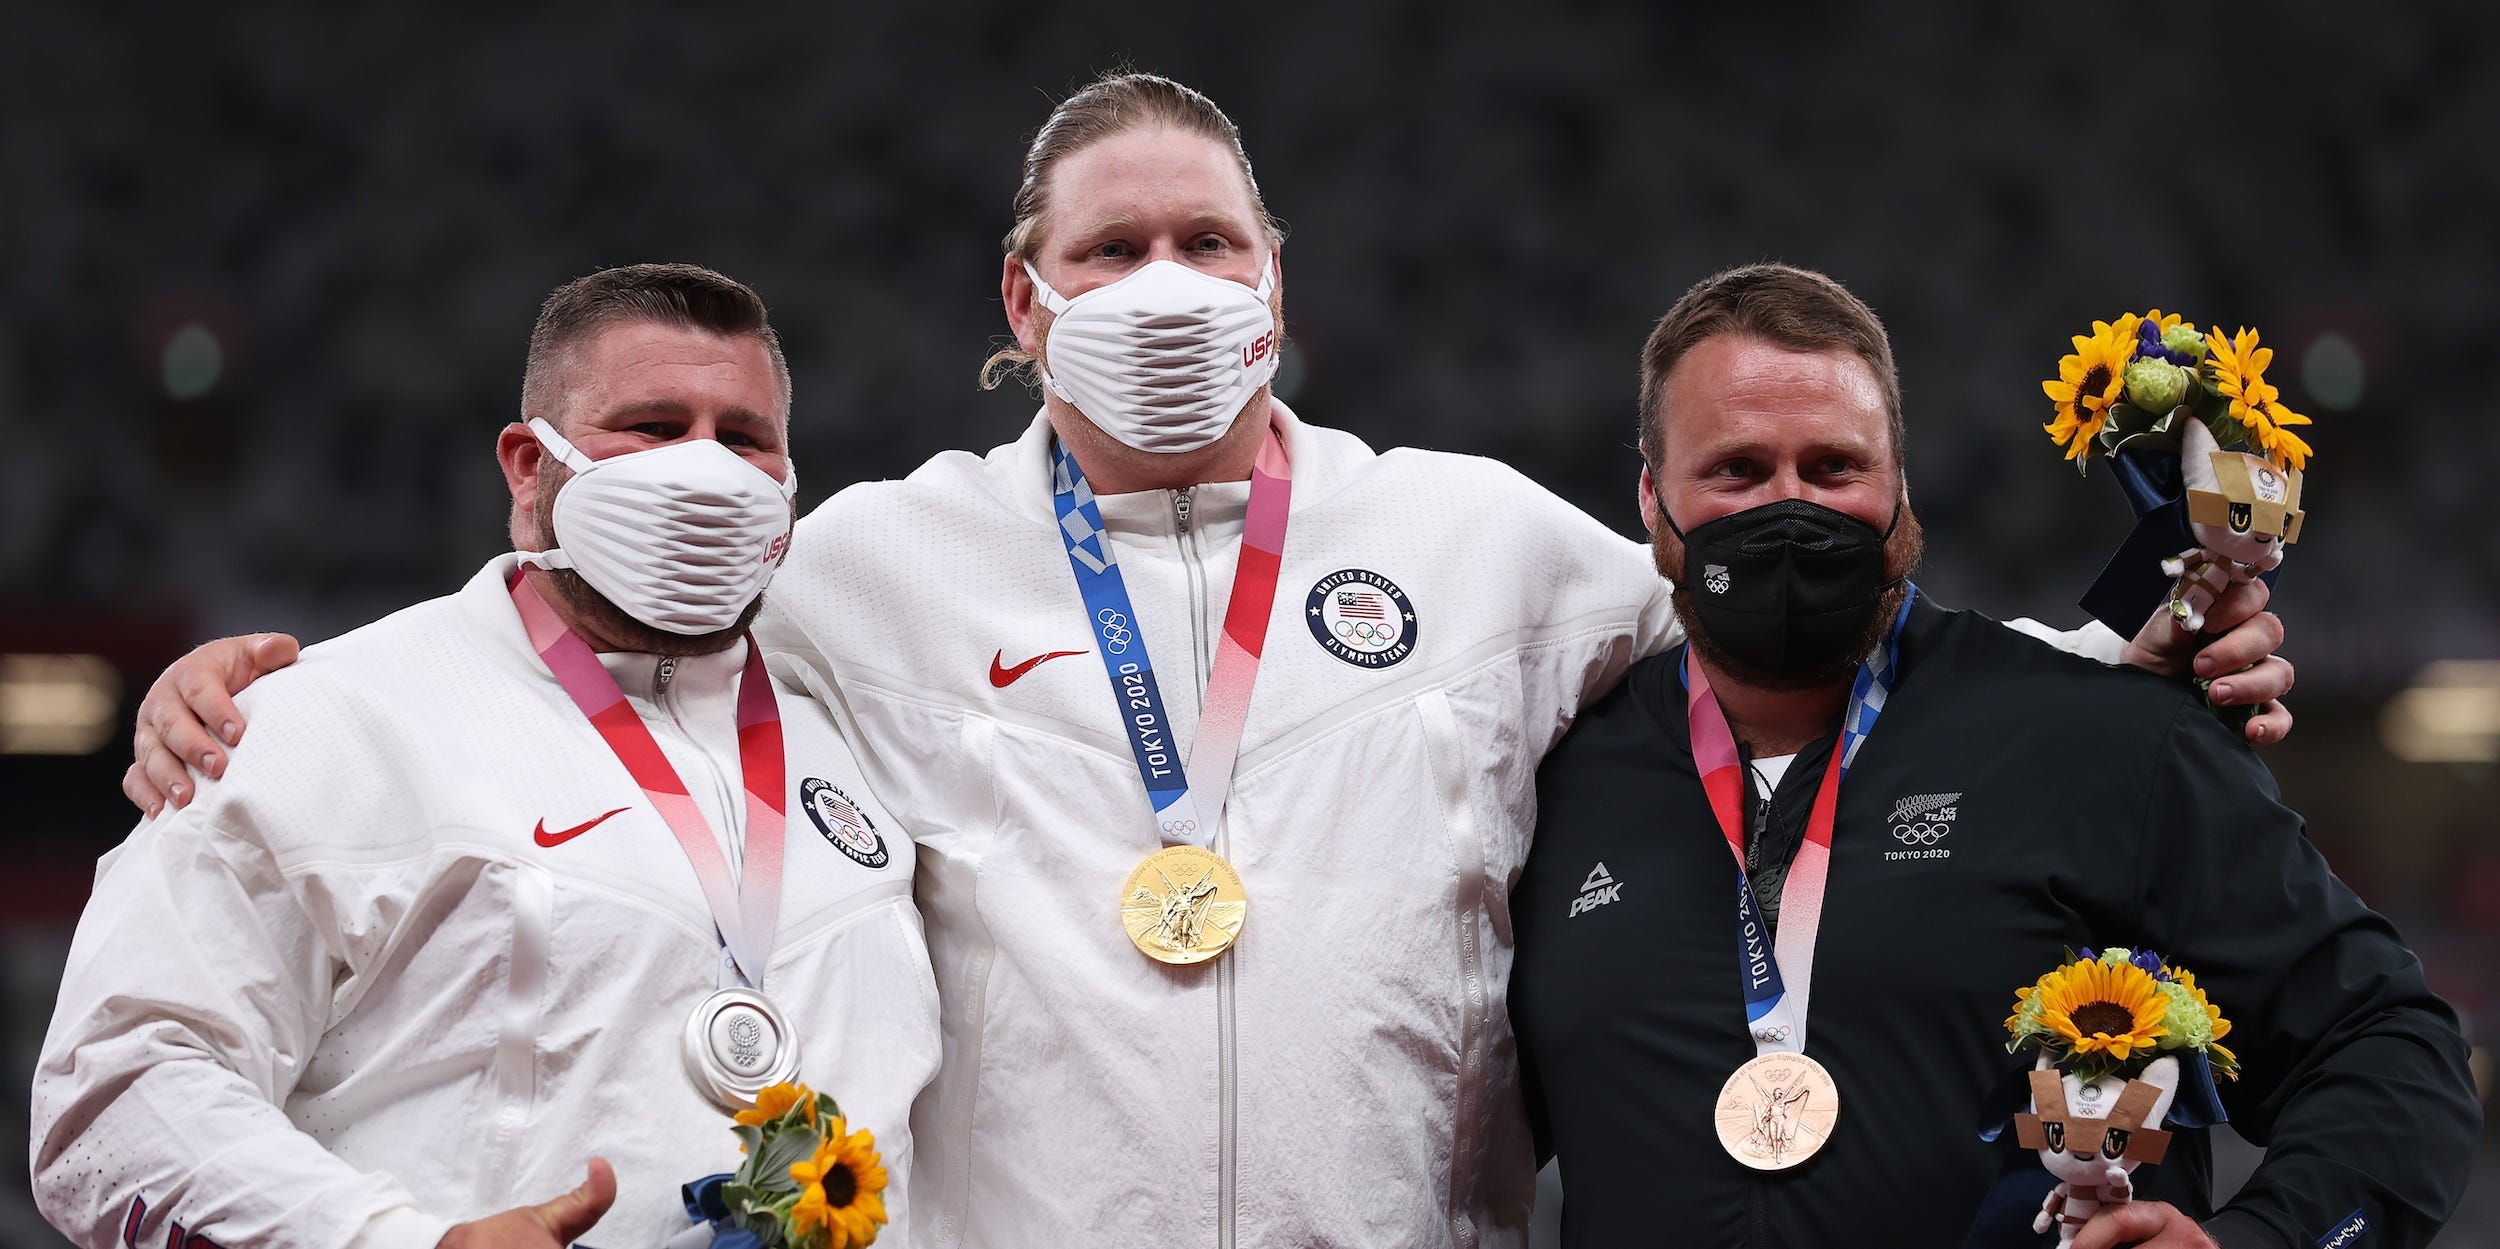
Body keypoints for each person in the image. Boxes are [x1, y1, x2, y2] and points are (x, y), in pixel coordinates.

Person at [116, 76, 2296, 1248]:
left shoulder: (1477, 537)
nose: (1163, 283)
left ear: (1280, 288)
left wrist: (2121, 664)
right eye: (1111, 250)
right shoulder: (863, 558)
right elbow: (593, 630)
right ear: (1023, 292)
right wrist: (242, 693)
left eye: (1206, 243)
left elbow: (1814, 654)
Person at [1509, 264, 2477, 1248]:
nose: (1790, 506)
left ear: (1898, 487)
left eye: (1834, 467)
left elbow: (2389, 1053)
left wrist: (2261, 1241)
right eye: (1738, 471)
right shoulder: (1553, 781)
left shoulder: (2099, 738)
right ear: (1649, 495)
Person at [35, 265, 938, 1249]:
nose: (704, 469)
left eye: (744, 438)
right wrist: (397, 1240)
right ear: (525, 464)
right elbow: (116, 1088)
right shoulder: (318, 722)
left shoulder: (864, 728)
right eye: (652, 425)